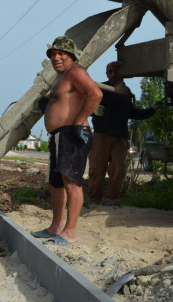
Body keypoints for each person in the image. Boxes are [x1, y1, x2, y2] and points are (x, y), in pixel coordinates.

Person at [32, 36, 102, 246]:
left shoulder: (76, 72)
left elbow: (95, 94)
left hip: (73, 134)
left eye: (61, 53)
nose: (56, 57)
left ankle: (69, 233)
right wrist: (47, 100)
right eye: (53, 54)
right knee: (56, 183)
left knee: (71, 182)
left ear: (70, 55)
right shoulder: (60, 78)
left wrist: (79, 121)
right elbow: (62, 98)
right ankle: (55, 227)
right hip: (59, 136)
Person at [87, 61, 161, 206]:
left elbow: (133, 113)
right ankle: (93, 200)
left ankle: (111, 199)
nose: (113, 74)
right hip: (101, 136)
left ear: (123, 74)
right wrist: (92, 109)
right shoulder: (98, 89)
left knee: (119, 169)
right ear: (106, 73)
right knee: (97, 168)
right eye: (110, 71)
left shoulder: (126, 94)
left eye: (116, 71)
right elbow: (84, 104)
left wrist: (151, 109)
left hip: (120, 137)